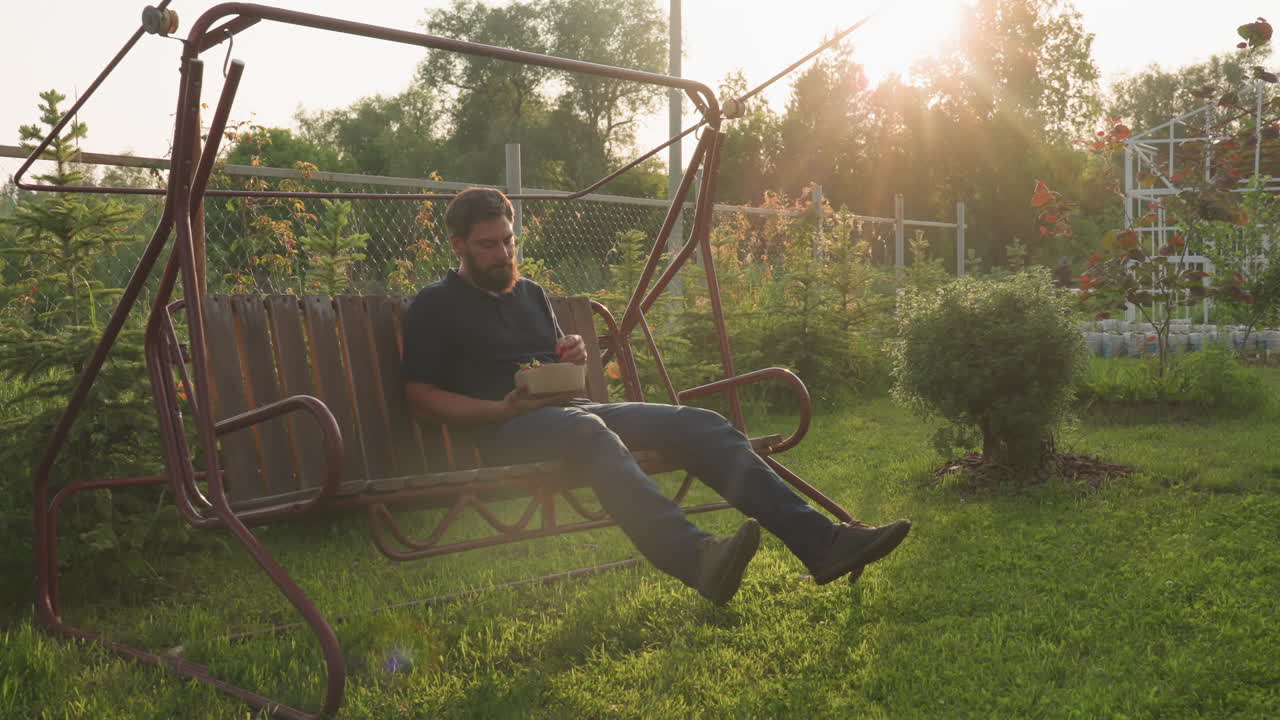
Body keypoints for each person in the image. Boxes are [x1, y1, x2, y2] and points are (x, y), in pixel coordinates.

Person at [401, 188, 911, 605]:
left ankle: (824, 545)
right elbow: (422, 396)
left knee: (701, 424)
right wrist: (499, 408)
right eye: (488, 245)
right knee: (588, 430)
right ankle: (696, 559)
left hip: (573, 415)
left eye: (508, 241)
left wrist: (573, 354)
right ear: (458, 245)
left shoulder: (531, 294)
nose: (503, 254)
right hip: (502, 431)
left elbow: (554, 367)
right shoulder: (435, 305)